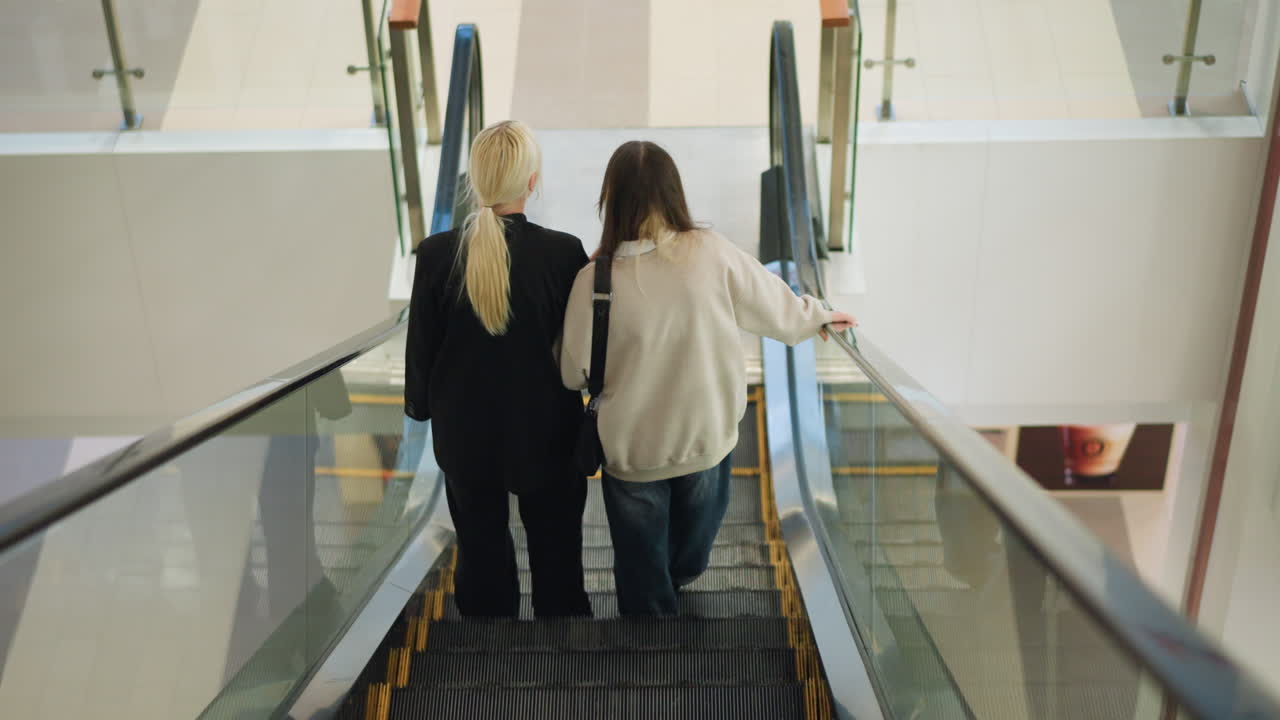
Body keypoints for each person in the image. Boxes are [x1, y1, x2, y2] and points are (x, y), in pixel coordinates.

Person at [560, 140, 857, 615]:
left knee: (639, 564)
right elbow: (776, 309)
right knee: (693, 549)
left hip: (631, 453)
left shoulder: (594, 281)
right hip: (706, 439)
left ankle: (649, 634)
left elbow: (573, 373)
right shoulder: (712, 253)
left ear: (610, 201)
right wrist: (818, 316)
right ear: (673, 192)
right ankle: (677, 584)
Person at [405, 120, 591, 618]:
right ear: (533, 182)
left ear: (476, 179)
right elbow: (579, 346)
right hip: (547, 430)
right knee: (557, 547)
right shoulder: (563, 252)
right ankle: (563, 631)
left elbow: (422, 346)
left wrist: (421, 406)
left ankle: (490, 627)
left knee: (480, 546)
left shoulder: (437, 254)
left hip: (465, 434)